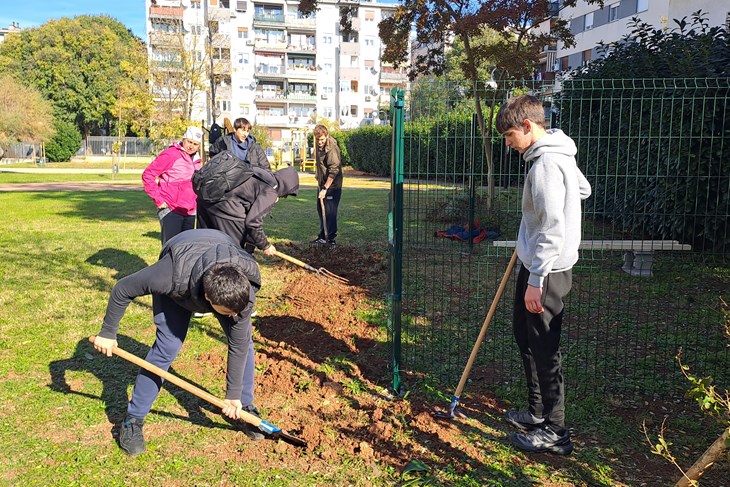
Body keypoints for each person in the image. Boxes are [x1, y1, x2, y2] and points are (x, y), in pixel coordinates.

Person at [91, 229, 266, 456]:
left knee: (244, 341)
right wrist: (108, 332)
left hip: (216, 253)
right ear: (208, 300)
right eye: (228, 312)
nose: (234, 316)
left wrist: (233, 396)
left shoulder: (246, 286)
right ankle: (132, 421)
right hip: (183, 268)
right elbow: (122, 289)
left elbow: (238, 344)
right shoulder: (168, 276)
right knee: (167, 347)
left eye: (237, 311)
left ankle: (244, 407)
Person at [495, 94, 591, 455]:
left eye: (509, 135)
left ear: (528, 126)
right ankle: (537, 414)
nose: (507, 143)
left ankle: (556, 431)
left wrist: (536, 278)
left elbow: (552, 227)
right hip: (536, 262)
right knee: (526, 335)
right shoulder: (557, 154)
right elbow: (583, 189)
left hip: (547, 270)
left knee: (545, 346)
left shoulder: (547, 163)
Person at [196, 166, 300, 255]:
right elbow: (253, 222)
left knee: (206, 244)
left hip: (206, 197)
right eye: (287, 194)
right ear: (286, 187)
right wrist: (265, 245)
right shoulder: (270, 191)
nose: (284, 197)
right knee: (232, 250)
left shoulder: (261, 174)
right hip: (224, 206)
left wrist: (253, 242)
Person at [142, 126, 203, 244]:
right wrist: (158, 199)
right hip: (170, 209)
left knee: (185, 249)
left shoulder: (197, 160)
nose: (191, 146)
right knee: (170, 248)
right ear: (183, 139)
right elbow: (148, 175)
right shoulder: (171, 154)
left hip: (189, 211)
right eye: (189, 142)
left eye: (195, 144)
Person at [311, 124, 343, 247]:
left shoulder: (332, 149)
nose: (319, 142)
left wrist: (325, 188)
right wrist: (318, 175)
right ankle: (323, 237)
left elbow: (334, 170)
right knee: (321, 209)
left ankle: (331, 239)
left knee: (330, 212)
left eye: (322, 140)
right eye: (318, 140)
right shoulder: (318, 145)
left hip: (332, 186)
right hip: (322, 183)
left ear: (327, 136)